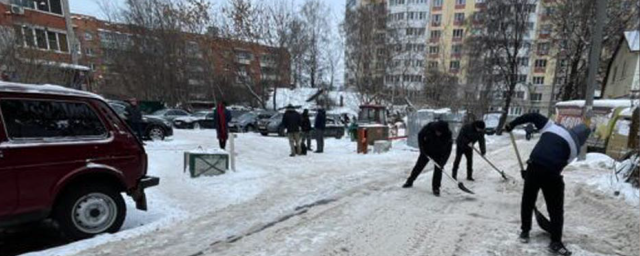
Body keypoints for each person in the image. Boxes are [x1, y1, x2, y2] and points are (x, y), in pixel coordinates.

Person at [505, 113, 590, 256]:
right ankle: (556, 242)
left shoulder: (552, 126)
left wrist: (512, 124)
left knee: (528, 199)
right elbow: (559, 163)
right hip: (552, 172)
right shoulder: (575, 149)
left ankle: (525, 232)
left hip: (535, 165)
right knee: (556, 209)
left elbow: (532, 116)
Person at [402, 120, 453, 196]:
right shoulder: (429, 127)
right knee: (418, 166)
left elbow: (448, 151)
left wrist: (443, 162)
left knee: (438, 170)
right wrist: (422, 149)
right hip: (427, 151)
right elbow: (420, 135)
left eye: (440, 133)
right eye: (437, 131)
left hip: (439, 153)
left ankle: (436, 188)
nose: (438, 134)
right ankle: (410, 181)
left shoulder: (448, 135)